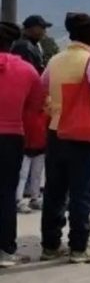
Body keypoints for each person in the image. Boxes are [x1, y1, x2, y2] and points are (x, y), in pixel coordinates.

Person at [41, 12, 90, 263]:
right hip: (82, 133)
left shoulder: (56, 59)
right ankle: (79, 247)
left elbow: (43, 88)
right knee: (82, 191)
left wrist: (54, 109)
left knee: (54, 190)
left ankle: (50, 245)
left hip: (55, 131)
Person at [0, 22, 44, 268]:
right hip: (11, 136)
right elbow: (36, 105)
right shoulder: (27, 70)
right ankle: (5, 250)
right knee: (6, 194)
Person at [12, 15, 52, 215]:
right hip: (29, 109)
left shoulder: (33, 47)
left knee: (37, 157)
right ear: (30, 28)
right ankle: (20, 198)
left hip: (37, 109)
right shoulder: (24, 47)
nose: (43, 32)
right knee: (27, 158)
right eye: (40, 28)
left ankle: (34, 195)